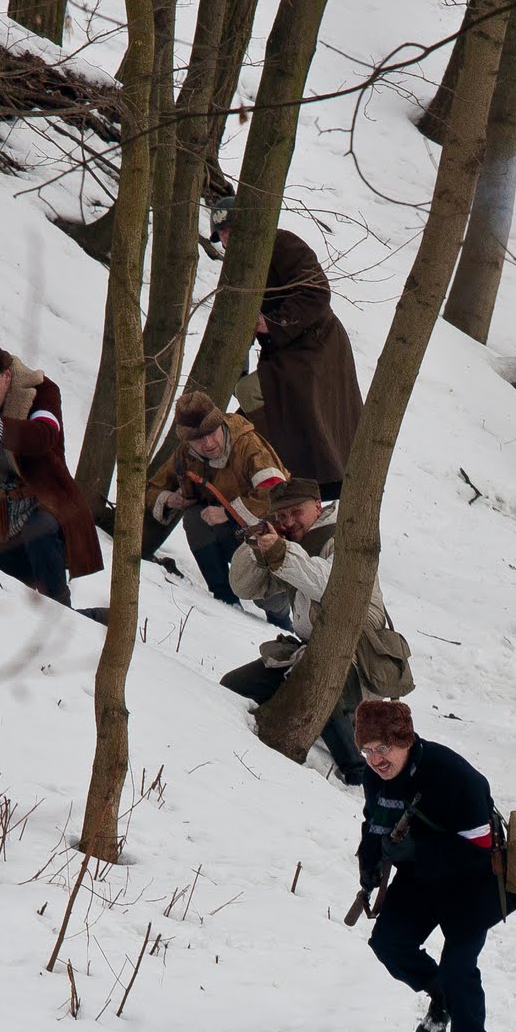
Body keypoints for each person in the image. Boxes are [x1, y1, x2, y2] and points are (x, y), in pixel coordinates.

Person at [220, 478, 414, 785]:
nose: (289, 521)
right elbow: (244, 587)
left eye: (297, 512)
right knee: (234, 686)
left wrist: (281, 551)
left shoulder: (345, 536)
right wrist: (257, 547)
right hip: (308, 653)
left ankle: (358, 773)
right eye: (282, 516)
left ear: (317, 507)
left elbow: (332, 585)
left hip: (358, 657)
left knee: (321, 683)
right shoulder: (289, 544)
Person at [354, 699, 506, 1032]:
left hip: (473, 882)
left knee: (459, 968)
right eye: (367, 750)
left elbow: (480, 848)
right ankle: (441, 997)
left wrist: (418, 850)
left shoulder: (455, 776)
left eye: (382, 748)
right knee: (389, 944)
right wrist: (369, 864)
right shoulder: (375, 777)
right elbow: (374, 821)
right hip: (421, 878)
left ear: (405, 740)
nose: (375, 759)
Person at [208, 202, 363, 498]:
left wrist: (273, 322)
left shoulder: (282, 244)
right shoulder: (237, 268)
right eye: (221, 234)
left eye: (231, 229)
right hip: (285, 353)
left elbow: (316, 292)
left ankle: (291, 476)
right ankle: (283, 477)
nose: (226, 238)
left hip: (316, 348)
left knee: (259, 397)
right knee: (253, 406)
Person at [0, 337, 102, 605]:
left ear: (7, 375)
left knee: (52, 591)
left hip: (42, 504)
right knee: (2, 600)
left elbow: (43, 436)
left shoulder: (42, 391)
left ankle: (71, 610)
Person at [146, 391, 288, 611]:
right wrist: (169, 499)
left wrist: (228, 513)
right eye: (198, 439)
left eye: (212, 433)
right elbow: (152, 488)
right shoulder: (185, 455)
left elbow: (276, 492)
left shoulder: (249, 445)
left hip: (266, 538)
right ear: (188, 441)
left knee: (272, 603)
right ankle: (224, 600)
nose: (209, 443)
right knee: (194, 518)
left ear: (221, 424)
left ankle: (281, 619)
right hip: (229, 534)